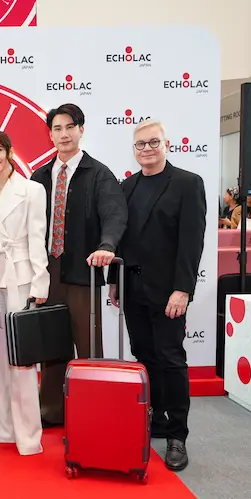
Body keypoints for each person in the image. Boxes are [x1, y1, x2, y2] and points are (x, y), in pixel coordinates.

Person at [108, 119, 207, 471]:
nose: (147, 149)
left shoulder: (187, 183)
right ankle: (157, 418)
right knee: (144, 356)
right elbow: (121, 238)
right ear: (133, 150)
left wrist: (183, 289)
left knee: (170, 359)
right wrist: (115, 281)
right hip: (132, 288)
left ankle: (177, 435)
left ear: (167, 144)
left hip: (168, 292)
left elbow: (191, 242)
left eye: (153, 142)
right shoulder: (127, 186)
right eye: (140, 144)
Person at [30, 103, 127, 428]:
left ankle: (90, 414)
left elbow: (114, 214)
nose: (64, 134)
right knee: (51, 346)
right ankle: (51, 411)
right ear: (50, 134)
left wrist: (106, 245)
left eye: (70, 127)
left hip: (83, 271)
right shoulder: (39, 176)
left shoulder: (99, 173)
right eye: (57, 129)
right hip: (47, 273)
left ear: (81, 130)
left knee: (88, 346)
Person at [0, 130, 49, 456]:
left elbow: (37, 238)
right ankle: (3, 429)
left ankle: (29, 436)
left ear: (9, 151)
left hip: (20, 277)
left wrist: (40, 284)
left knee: (22, 360)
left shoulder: (32, 190)